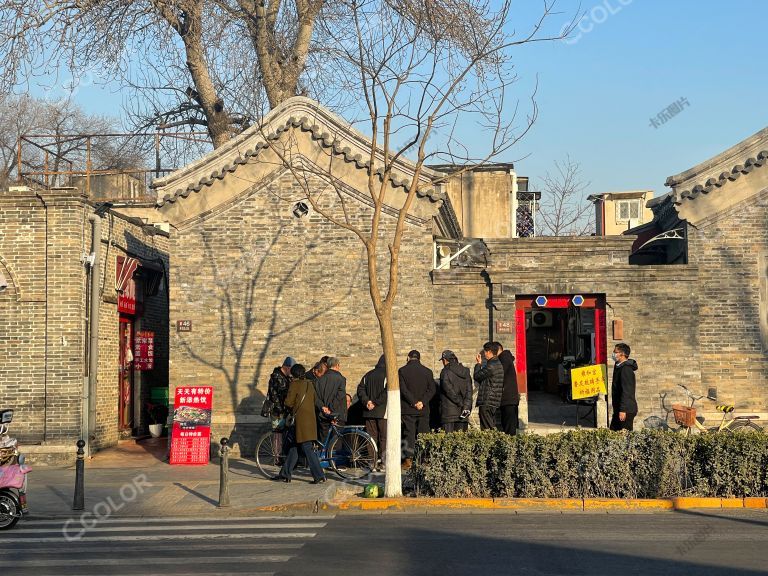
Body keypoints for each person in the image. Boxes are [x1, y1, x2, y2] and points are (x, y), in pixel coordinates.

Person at [273, 364, 325, 484]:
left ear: (294, 373)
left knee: (307, 448)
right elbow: (315, 400)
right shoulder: (310, 384)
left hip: (300, 422)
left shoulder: (294, 384)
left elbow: (289, 403)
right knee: (294, 447)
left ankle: (319, 475)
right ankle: (285, 474)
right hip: (310, 421)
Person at [399, 350, 435, 470]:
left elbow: (403, 390)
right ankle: (424, 459)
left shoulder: (402, 371)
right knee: (424, 433)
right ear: (419, 358)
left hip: (408, 409)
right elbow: (432, 390)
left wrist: (414, 402)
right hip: (423, 409)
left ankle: (409, 460)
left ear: (408, 358)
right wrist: (422, 402)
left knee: (409, 434)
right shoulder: (428, 372)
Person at [358, 355, 388, 470]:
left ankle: (372, 462)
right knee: (384, 437)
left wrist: (367, 402)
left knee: (371, 437)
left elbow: (360, 389)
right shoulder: (387, 375)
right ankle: (383, 462)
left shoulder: (368, 374)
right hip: (382, 411)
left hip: (368, 412)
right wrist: (375, 402)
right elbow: (387, 392)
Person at [314, 356, 347, 441]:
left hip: (323, 415)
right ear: (337, 365)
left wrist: (323, 407)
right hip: (337, 414)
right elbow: (340, 395)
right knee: (336, 442)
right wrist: (330, 408)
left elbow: (316, 397)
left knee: (324, 441)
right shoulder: (341, 379)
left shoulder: (318, 380)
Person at [439, 350, 472, 432]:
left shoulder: (445, 372)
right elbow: (469, 391)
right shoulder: (466, 371)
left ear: (445, 360)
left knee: (449, 441)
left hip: (449, 414)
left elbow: (448, 390)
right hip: (464, 414)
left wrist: (459, 403)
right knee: (462, 442)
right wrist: (466, 406)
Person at [473, 341, 504, 430]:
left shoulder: (491, 365)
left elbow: (477, 376)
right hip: (493, 401)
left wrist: (478, 364)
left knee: (487, 427)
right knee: (490, 425)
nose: (484, 354)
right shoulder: (497, 363)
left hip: (487, 400)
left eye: (485, 352)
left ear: (489, 352)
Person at [609, 343, 638, 431]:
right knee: (614, 434)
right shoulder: (619, 366)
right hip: (619, 409)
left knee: (625, 438)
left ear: (622, 354)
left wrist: (623, 410)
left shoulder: (626, 369)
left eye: (615, 352)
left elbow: (627, 391)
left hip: (626, 410)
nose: (613, 353)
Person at [498, 348, 520, 435]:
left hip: (508, 399)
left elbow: (499, 374)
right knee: (510, 426)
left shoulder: (504, 358)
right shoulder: (506, 358)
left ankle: (511, 446)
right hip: (509, 399)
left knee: (509, 428)